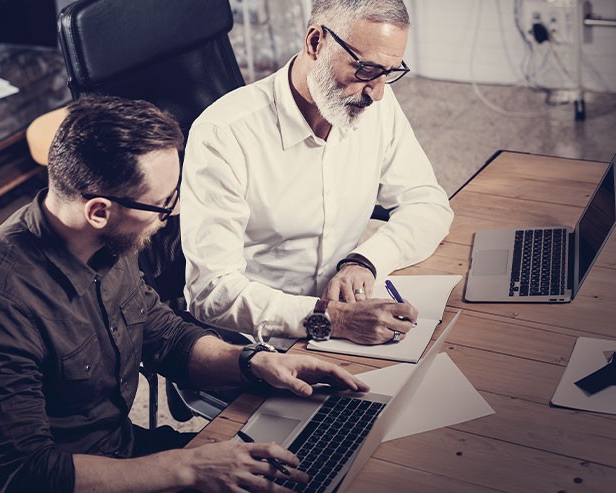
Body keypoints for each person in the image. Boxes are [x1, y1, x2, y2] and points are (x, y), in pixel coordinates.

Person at [0, 94, 370, 493]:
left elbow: (161, 334)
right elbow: (26, 477)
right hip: (74, 484)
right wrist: (192, 467)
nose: (175, 213)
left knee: (322, 469)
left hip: (126, 453)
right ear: (99, 210)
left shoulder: (106, 240)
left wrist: (254, 363)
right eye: (164, 204)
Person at [181, 0, 453, 346]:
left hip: (349, 316)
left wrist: (364, 261)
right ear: (315, 42)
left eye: (389, 72)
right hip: (261, 340)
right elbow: (210, 291)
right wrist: (332, 318)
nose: (379, 92)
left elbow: (428, 203)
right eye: (366, 69)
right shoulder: (224, 133)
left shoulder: (376, 105)